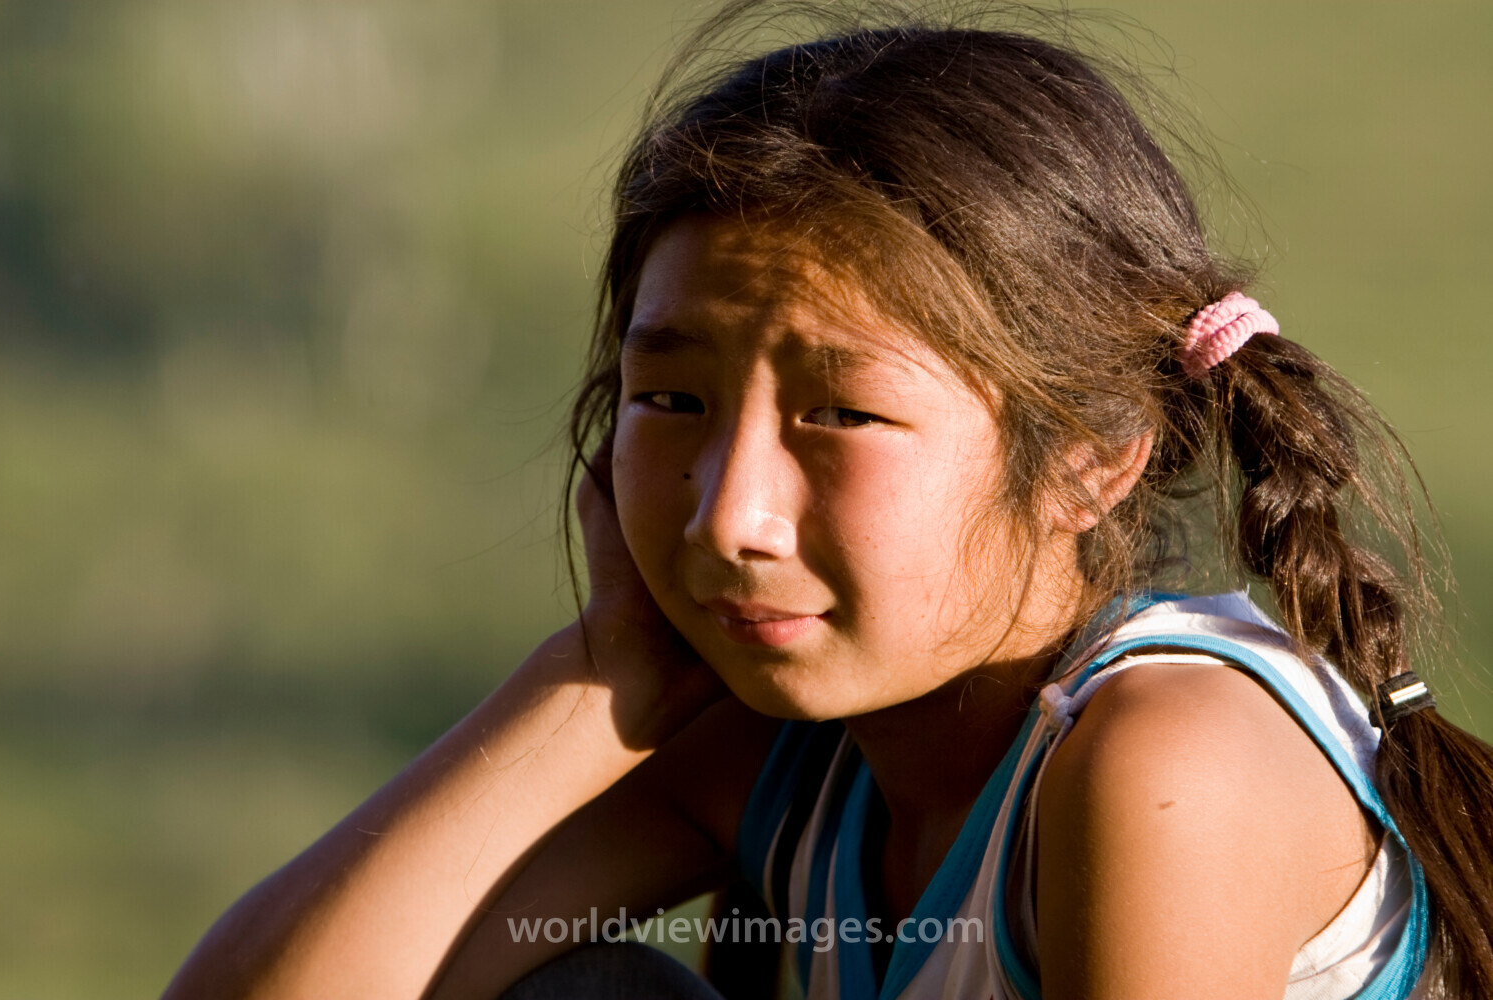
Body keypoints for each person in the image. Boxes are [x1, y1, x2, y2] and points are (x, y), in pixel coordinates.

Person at [162, 4, 1493, 998]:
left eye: (842, 416)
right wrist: (599, 678)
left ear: (1094, 449)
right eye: (671, 401)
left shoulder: (1166, 758)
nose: (727, 514)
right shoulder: (770, 758)